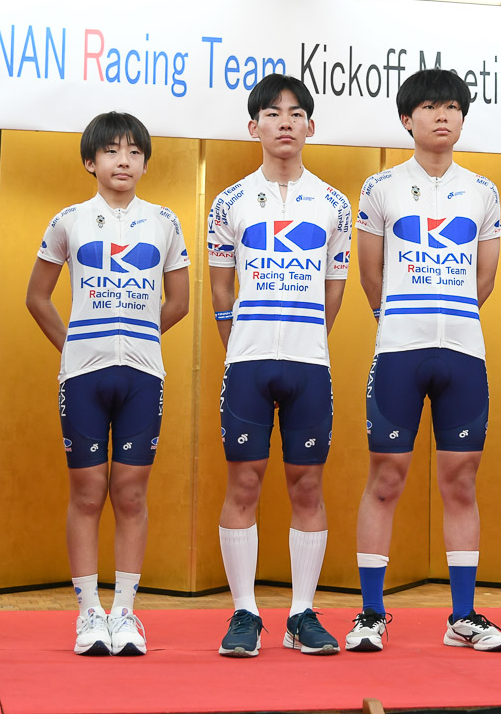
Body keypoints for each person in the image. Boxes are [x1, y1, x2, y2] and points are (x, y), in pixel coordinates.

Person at [348, 68, 501, 653]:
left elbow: (485, 279)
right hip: (399, 350)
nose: (443, 115)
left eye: (453, 107)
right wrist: (400, 319)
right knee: (386, 479)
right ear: (406, 119)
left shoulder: (483, 190)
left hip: (463, 352)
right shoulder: (380, 187)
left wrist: (450, 314)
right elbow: (370, 274)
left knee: (460, 482)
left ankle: (463, 616)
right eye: (430, 107)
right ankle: (371, 613)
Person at [26, 112, 190, 656]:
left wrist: (136, 336)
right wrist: (76, 345)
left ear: (145, 163)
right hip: (83, 378)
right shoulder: (68, 220)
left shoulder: (164, 221)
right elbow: (37, 297)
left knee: (131, 492)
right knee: (88, 492)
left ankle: (124, 613)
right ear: (90, 161)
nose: (124, 161)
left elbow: (180, 302)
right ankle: (88, 613)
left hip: (143, 375)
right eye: (112, 151)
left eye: (134, 152)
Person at [208, 74, 351, 658]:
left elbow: (335, 289)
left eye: (295, 113)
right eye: (272, 113)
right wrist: (240, 342)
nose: (284, 122)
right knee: (243, 482)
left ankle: (300, 614)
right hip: (247, 362)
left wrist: (307, 336)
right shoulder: (229, 201)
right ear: (254, 127)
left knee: (307, 485)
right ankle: (244, 612)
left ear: (310, 126)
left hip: (308, 364)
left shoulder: (334, 203)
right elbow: (221, 288)